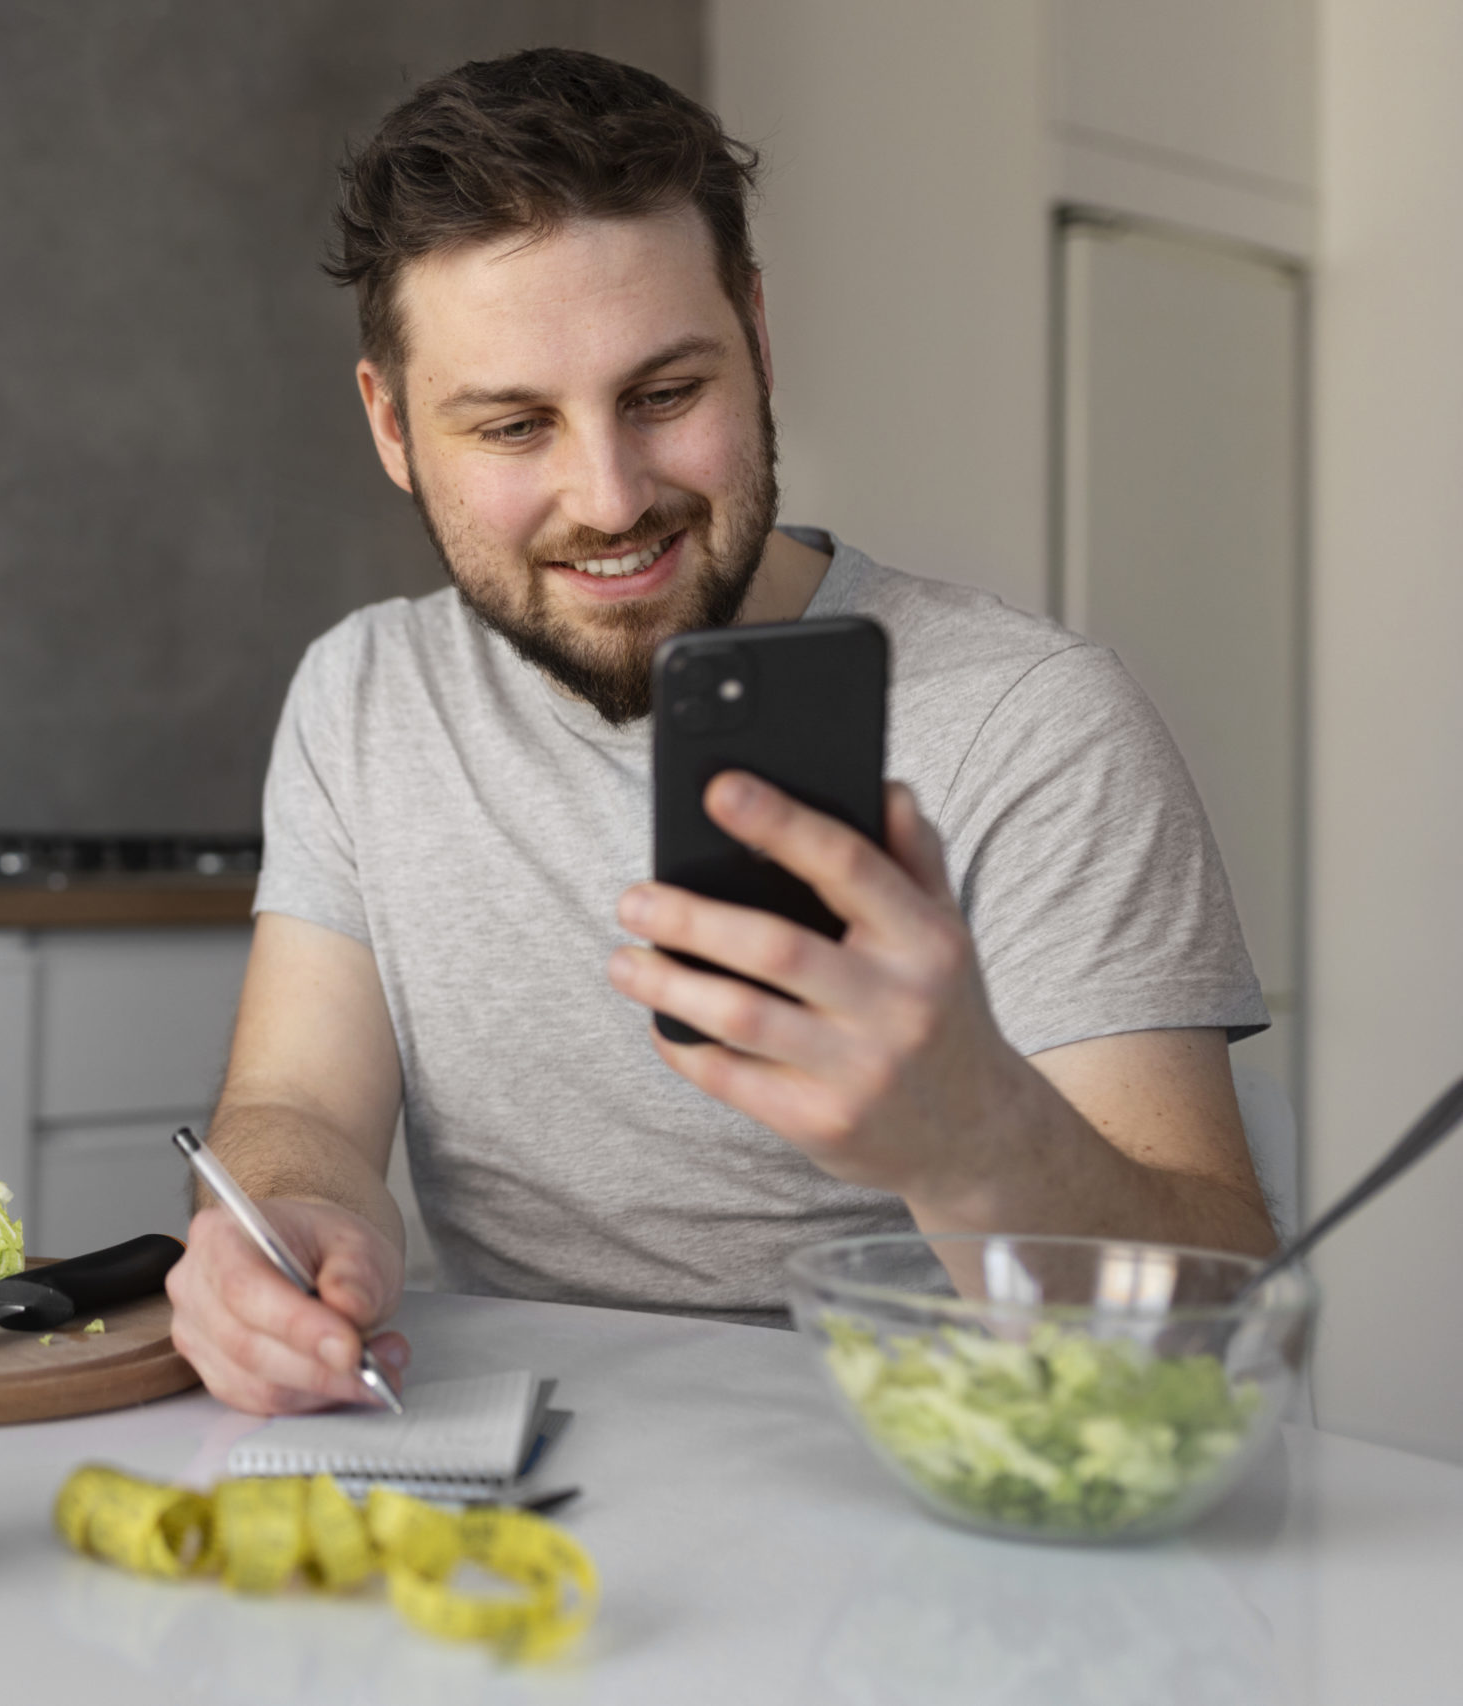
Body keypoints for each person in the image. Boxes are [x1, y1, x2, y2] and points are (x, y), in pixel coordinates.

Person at [165, 49, 1277, 1416]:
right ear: (393, 427)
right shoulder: (367, 696)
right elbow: (303, 1111)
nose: (610, 494)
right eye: (514, 425)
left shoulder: (1031, 725)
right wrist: (284, 1225)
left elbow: (1224, 1323)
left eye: (664, 394)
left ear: (757, 335)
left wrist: (971, 1132)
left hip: (963, 1523)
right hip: (530, 1502)